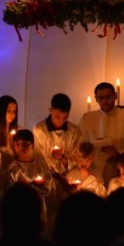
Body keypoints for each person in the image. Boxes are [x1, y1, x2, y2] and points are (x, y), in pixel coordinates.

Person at [33, 93, 82, 225]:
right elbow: (39, 159)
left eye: (65, 118)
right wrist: (57, 176)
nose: (61, 121)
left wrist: (64, 159)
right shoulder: (39, 130)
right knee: (48, 218)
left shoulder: (75, 131)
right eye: (57, 117)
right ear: (51, 110)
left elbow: (77, 157)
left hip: (69, 180)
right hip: (48, 181)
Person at [78, 82, 124, 188]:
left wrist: (118, 152)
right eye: (101, 98)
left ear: (115, 96)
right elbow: (80, 144)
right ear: (96, 99)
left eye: (108, 97)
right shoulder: (87, 118)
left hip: (116, 168)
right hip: (93, 169)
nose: (105, 101)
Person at [6, 129, 53, 226]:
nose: (20, 148)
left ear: (32, 146)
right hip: (19, 207)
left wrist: (27, 185)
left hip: (38, 206)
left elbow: (47, 188)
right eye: (17, 144)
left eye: (25, 145)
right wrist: (32, 186)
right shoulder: (13, 167)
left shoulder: (41, 166)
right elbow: (10, 190)